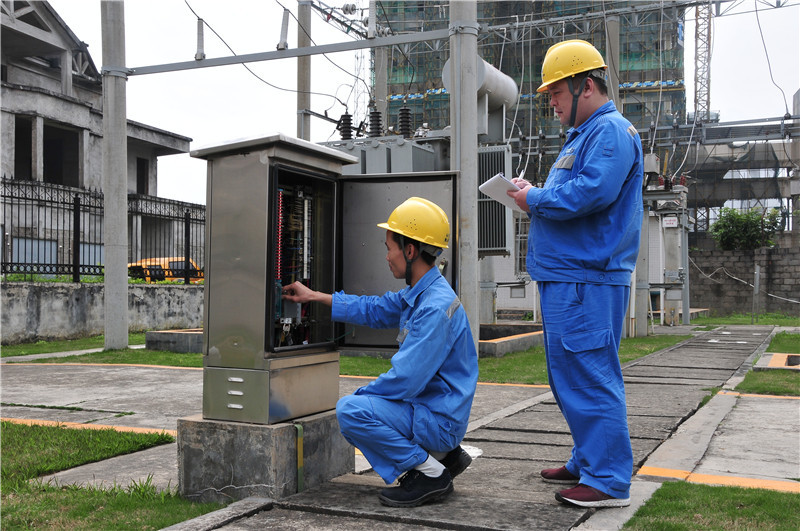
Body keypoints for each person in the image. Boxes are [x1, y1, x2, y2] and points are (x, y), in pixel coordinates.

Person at [507, 39, 643, 508]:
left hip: (587, 278)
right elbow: (577, 194)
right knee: (571, 376)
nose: (551, 103)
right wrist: (535, 194)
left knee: (589, 376)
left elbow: (593, 193)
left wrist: (535, 199)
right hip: (572, 277)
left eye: (556, 94)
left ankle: (606, 481)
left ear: (585, 85)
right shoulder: (585, 136)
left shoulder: (609, 132)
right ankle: (588, 460)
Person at [282, 196, 478, 508]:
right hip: (431, 413)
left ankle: (430, 474)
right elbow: (373, 309)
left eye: (390, 247)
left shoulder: (434, 308)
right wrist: (315, 296)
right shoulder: (422, 293)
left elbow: (405, 380)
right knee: (360, 406)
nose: (387, 256)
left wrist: (363, 398)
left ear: (410, 250)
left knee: (351, 411)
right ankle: (444, 457)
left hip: (438, 421)